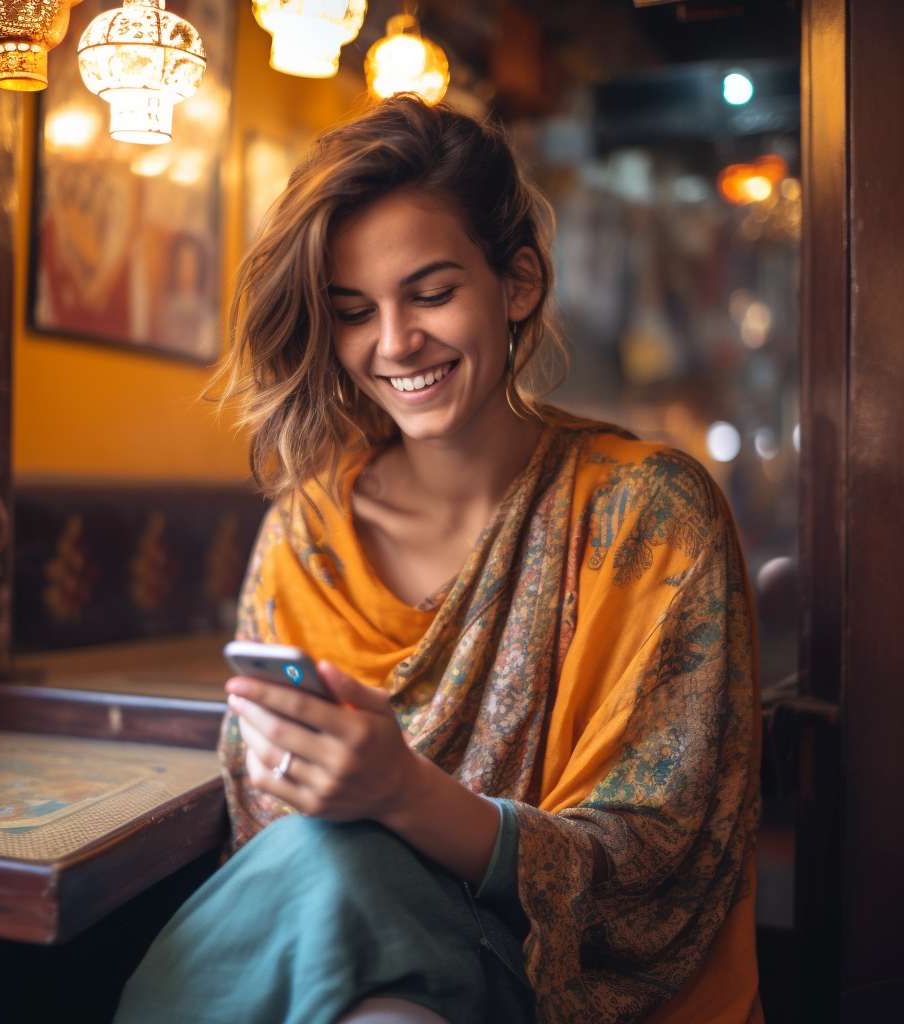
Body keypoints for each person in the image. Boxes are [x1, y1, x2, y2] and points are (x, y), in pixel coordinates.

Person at [114, 96, 761, 1024]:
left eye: (431, 292)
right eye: (352, 312)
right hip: (329, 946)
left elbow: (662, 866)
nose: (394, 342)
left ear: (519, 284)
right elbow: (266, 829)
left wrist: (403, 796)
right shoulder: (309, 528)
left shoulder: (648, 513)